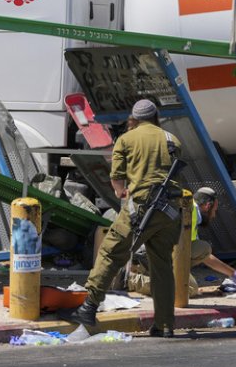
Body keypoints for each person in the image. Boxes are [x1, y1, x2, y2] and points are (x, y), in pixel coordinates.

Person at [66, 99, 182, 338]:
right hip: (170, 211)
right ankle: (165, 325)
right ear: (155, 116)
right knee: (161, 265)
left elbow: (117, 182)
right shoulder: (172, 139)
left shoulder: (126, 140)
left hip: (141, 208)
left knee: (110, 252)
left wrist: (122, 191)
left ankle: (88, 307)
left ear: (134, 118)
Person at [127, 187, 236, 296]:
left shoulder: (189, 210)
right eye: (215, 210)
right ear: (207, 206)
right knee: (188, 289)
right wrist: (235, 274)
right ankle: (130, 280)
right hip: (149, 256)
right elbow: (204, 255)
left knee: (201, 250)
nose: (214, 215)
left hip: (149, 253)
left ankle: (147, 274)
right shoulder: (190, 212)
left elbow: (202, 255)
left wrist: (234, 274)